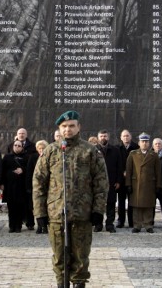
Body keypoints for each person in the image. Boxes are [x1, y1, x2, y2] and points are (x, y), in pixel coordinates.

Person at [33, 110, 108, 288]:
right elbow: (38, 183)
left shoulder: (90, 151)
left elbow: (101, 183)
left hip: (83, 214)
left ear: (78, 127)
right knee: (59, 258)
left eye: (72, 126)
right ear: (59, 128)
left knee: (81, 258)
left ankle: (79, 284)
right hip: (56, 215)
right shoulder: (51, 151)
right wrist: (40, 212)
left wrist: (98, 210)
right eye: (64, 126)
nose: (68, 129)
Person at [126, 133, 161, 233]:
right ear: (139, 143)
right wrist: (128, 184)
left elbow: (158, 171)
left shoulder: (153, 155)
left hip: (149, 184)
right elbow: (129, 170)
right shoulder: (133, 154)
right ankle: (137, 225)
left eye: (146, 141)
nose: (144, 143)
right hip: (136, 184)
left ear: (149, 143)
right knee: (136, 205)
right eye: (142, 141)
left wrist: (158, 185)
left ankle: (148, 224)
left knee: (148, 205)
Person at [95, 130, 123, 233]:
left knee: (111, 204)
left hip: (111, 182)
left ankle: (110, 224)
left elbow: (119, 166)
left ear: (108, 137)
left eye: (105, 136)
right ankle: (98, 225)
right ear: (98, 138)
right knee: (98, 204)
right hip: (97, 183)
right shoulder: (93, 150)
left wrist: (118, 181)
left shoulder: (115, 150)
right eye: (101, 136)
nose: (103, 138)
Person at [2, 140, 29, 233]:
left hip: (21, 186)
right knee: (11, 207)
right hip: (10, 186)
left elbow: (30, 169)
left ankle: (18, 226)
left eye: (19, 146)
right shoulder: (7, 157)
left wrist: (22, 170)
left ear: (22, 147)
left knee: (20, 206)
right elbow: (2, 170)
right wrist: (2, 183)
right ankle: (11, 226)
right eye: (15, 145)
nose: (17, 147)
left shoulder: (26, 157)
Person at [116, 129, 138, 228]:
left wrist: (130, 172)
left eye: (127, 136)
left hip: (133, 179)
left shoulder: (136, 147)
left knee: (131, 201)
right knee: (121, 201)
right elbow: (116, 163)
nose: (126, 137)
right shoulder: (116, 148)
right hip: (121, 179)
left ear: (131, 137)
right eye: (124, 136)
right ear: (121, 137)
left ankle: (131, 221)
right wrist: (122, 172)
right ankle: (121, 220)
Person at [28, 140, 49, 234]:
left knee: (46, 206)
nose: (41, 150)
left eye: (43, 148)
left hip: (48, 185)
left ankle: (46, 226)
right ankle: (39, 226)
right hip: (36, 185)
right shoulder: (33, 157)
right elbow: (29, 172)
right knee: (37, 207)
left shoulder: (49, 157)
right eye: (39, 148)